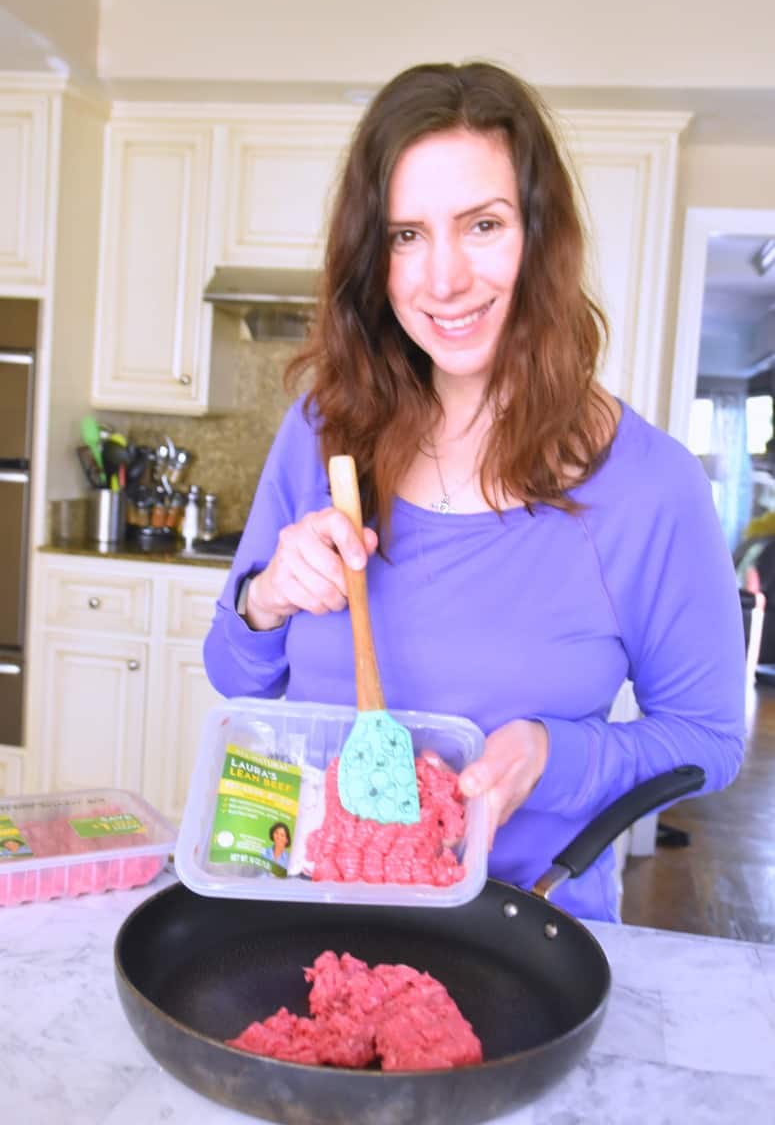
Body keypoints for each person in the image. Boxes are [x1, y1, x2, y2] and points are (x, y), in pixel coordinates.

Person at [204, 61, 746, 921]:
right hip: (304, 911)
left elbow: (710, 741)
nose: (442, 279)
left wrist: (549, 755)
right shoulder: (324, 433)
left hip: (519, 934)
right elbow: (234, 673)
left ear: (539, 233)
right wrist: (266, 597)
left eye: (482, 224)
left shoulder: (647, 487)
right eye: (405, 236)